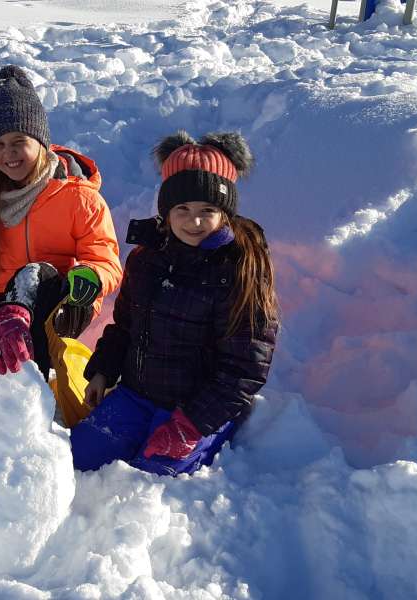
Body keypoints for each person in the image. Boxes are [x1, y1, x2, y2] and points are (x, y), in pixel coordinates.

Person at [71, 130, 279, 477]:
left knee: (147, 481)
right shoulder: (146, 259)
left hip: (195, 410)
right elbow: (125, 325)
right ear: (165, 211)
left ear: (225, 213)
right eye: (182, 208)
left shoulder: (240, 270)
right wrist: (103, 370)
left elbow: (245, 368)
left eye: (207, 210)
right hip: (136, 396)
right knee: (76, 462)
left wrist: (192, 424)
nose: (194, 221)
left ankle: (206, 439)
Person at [0, 65, 122, 379]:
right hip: (5, 305)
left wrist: (91, 276)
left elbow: (105, 259)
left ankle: (34, 369)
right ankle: (7, 358)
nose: (10, 154)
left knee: (35, 272)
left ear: (40, 141)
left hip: (64, 305)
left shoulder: (79, 197)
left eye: (19, 141)